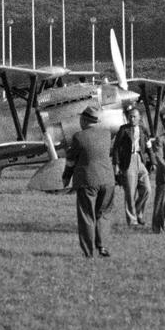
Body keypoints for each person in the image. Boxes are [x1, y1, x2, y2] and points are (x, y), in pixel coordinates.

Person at [61, 106, 116, 257]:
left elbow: (71, 161)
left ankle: (89, 251)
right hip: (108, 180)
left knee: (87, 215)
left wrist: (66, 177)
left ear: (83, 120)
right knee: (104, 214)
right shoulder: (106, 134)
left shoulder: (79, 137)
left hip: (87, 180)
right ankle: (102, 246)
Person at [111, 104, 149, 226]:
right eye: (130, 117)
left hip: (140, 159)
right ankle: (132, 221)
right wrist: (116, 164)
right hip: (128, 161)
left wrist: (153, 162)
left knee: (147, 189)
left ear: (139, 118)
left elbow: (148, 146)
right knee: (130, 192)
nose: (132, 119)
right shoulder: (123, 129)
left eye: (134, 117)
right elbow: (116, 148)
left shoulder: (143, 130)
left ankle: (138, 213)